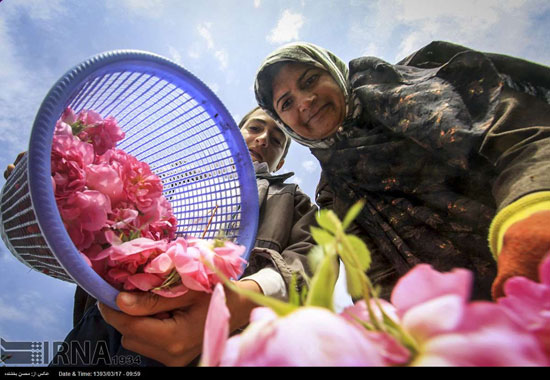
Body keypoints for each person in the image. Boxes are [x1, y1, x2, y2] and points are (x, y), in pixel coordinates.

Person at [254, 40, 550, 301]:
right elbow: (375, 278)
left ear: (334, 73)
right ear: (285, 122)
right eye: (287, 103)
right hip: (473, 318)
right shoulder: (334, 193)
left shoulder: (416, 83)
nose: (305, 102)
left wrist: (530, 216)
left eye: (310, 80)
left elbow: (523, 135)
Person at [48, 106, 318, 366]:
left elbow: (309, 261)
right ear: (236, 133)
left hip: (202, 343)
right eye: (255, 128)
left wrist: (237, 301)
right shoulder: (176, 181)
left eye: (277, 140)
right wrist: (59, 181)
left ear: (281, 160)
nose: (262, 140)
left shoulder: (291, 200)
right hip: (110, 313)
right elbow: (102, 228)